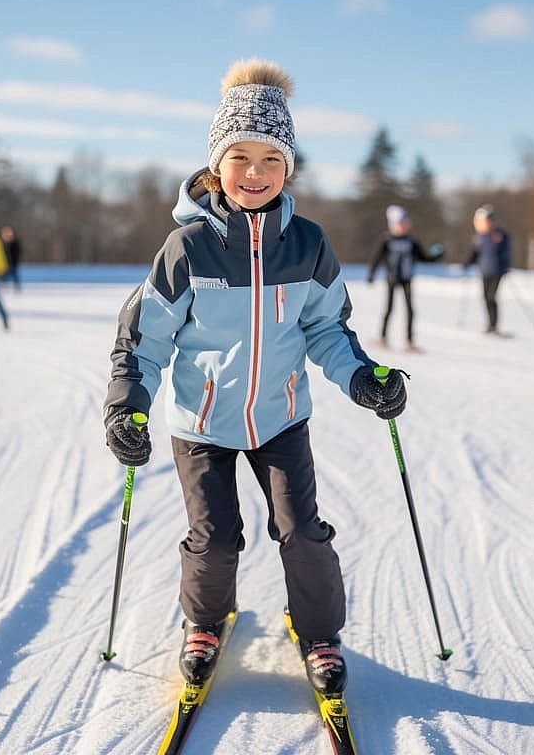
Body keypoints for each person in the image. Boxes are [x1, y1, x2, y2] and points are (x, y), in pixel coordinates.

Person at [102, 59, 407, 697]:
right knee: (215, 540)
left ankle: (319, 632)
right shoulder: (186, 250)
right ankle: (205, 624)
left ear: (287, 169)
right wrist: (127, 408)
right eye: (241, 157)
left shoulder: (309, 244)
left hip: (280, 417)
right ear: (218, 166)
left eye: (272, 160)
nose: (256, 173)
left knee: (302, 532)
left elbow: (328, 330)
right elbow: (144, 339)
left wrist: (365, 379)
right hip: (202, 424)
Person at [367, 205, 444, 351]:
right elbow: (376, 257)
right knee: (389, 308)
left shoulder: (412, 241)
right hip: (392, 278)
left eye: (406, 222)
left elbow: (423, 258)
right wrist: (371, 273)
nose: (406, 225)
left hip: (407, 278)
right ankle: (383, 337)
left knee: (410, 309)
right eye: (403, 222)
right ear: (394, 224)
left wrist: (436, 256)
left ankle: (409, 341)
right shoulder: (386, 239)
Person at [464, 204, 511, 334]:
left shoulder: (499, 235)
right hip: (485, 270)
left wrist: (506, 266)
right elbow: (476, 252)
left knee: (491, 296)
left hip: (497, 270)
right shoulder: (479, 237)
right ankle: (489, 325)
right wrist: (468, 262)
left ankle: (494, 325)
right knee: (485, 297)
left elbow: (505, 252)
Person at [0, 224, 22, 291]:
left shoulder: (15, 242)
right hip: (4, 263)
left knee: (14, 275)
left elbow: (18, 252)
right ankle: (3, 286)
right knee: (3, 276)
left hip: (13, 263)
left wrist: (16, 260)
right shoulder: (2, 243)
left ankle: (17, 287)